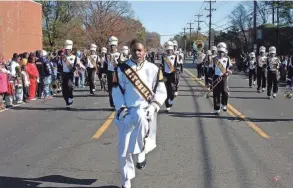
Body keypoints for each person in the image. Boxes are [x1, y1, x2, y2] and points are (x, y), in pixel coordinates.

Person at [112, 38, 167, 188]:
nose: (137, 53)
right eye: (134, 50)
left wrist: (154, 106)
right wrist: (122, 109)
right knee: (123, 149)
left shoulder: (154, 69)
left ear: (145, 52)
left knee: (142, 130)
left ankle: (141, 153)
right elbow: (116, 91)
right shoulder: (121, 69)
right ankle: (126, 180)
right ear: (130, 51)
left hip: (145, 111)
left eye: (140, 50)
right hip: (127, 112)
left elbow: (161, 91)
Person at [57, 40, 80, 108]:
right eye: (66, 50)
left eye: (68, 50)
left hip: (70, 74)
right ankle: (67, 103)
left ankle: (70, 96)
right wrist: (59, 73)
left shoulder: (75, 57)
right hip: (64, 74)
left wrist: (76, 68)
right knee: (64, 90)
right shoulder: (62, 58)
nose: (67, 51)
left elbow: (78, 65)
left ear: (71, 50)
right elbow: (59, 66)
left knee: (69, 86)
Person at [211, 42, 232, 114]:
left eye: (222, 52)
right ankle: (217, 108)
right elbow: (211, 69)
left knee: (225, 91)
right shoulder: (214, 59)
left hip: (224, 77)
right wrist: (210, 79)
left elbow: (230, 68)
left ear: (225, 52)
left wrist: (228, 72)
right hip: (216, 77)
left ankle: (224, 104)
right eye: (219, 52)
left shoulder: (227, 58)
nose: (220, 53)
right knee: (216, 93)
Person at [162, 40, 178, 112]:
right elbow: (161, 66)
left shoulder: (175, 56)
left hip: (172, 75)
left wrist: (176, 71)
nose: (169, 51)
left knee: (172, 90)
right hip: (165, 75)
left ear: (172, 50)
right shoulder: (163, 57)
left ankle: (171, 99)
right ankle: (167, 105)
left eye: (170, 50)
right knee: (165, 91)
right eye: (168, 50)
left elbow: (176, 66)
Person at [106, 36, 120, 108]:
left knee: (117, 89)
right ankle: (112, 104)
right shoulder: (107, 54)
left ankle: (118, 103)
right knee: (110, 90)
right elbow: (105, 64)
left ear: (116, 45)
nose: (112, 47)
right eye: (111, 46)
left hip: (117, 73)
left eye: (113, 45)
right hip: (109, 73)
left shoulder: (119, 54)